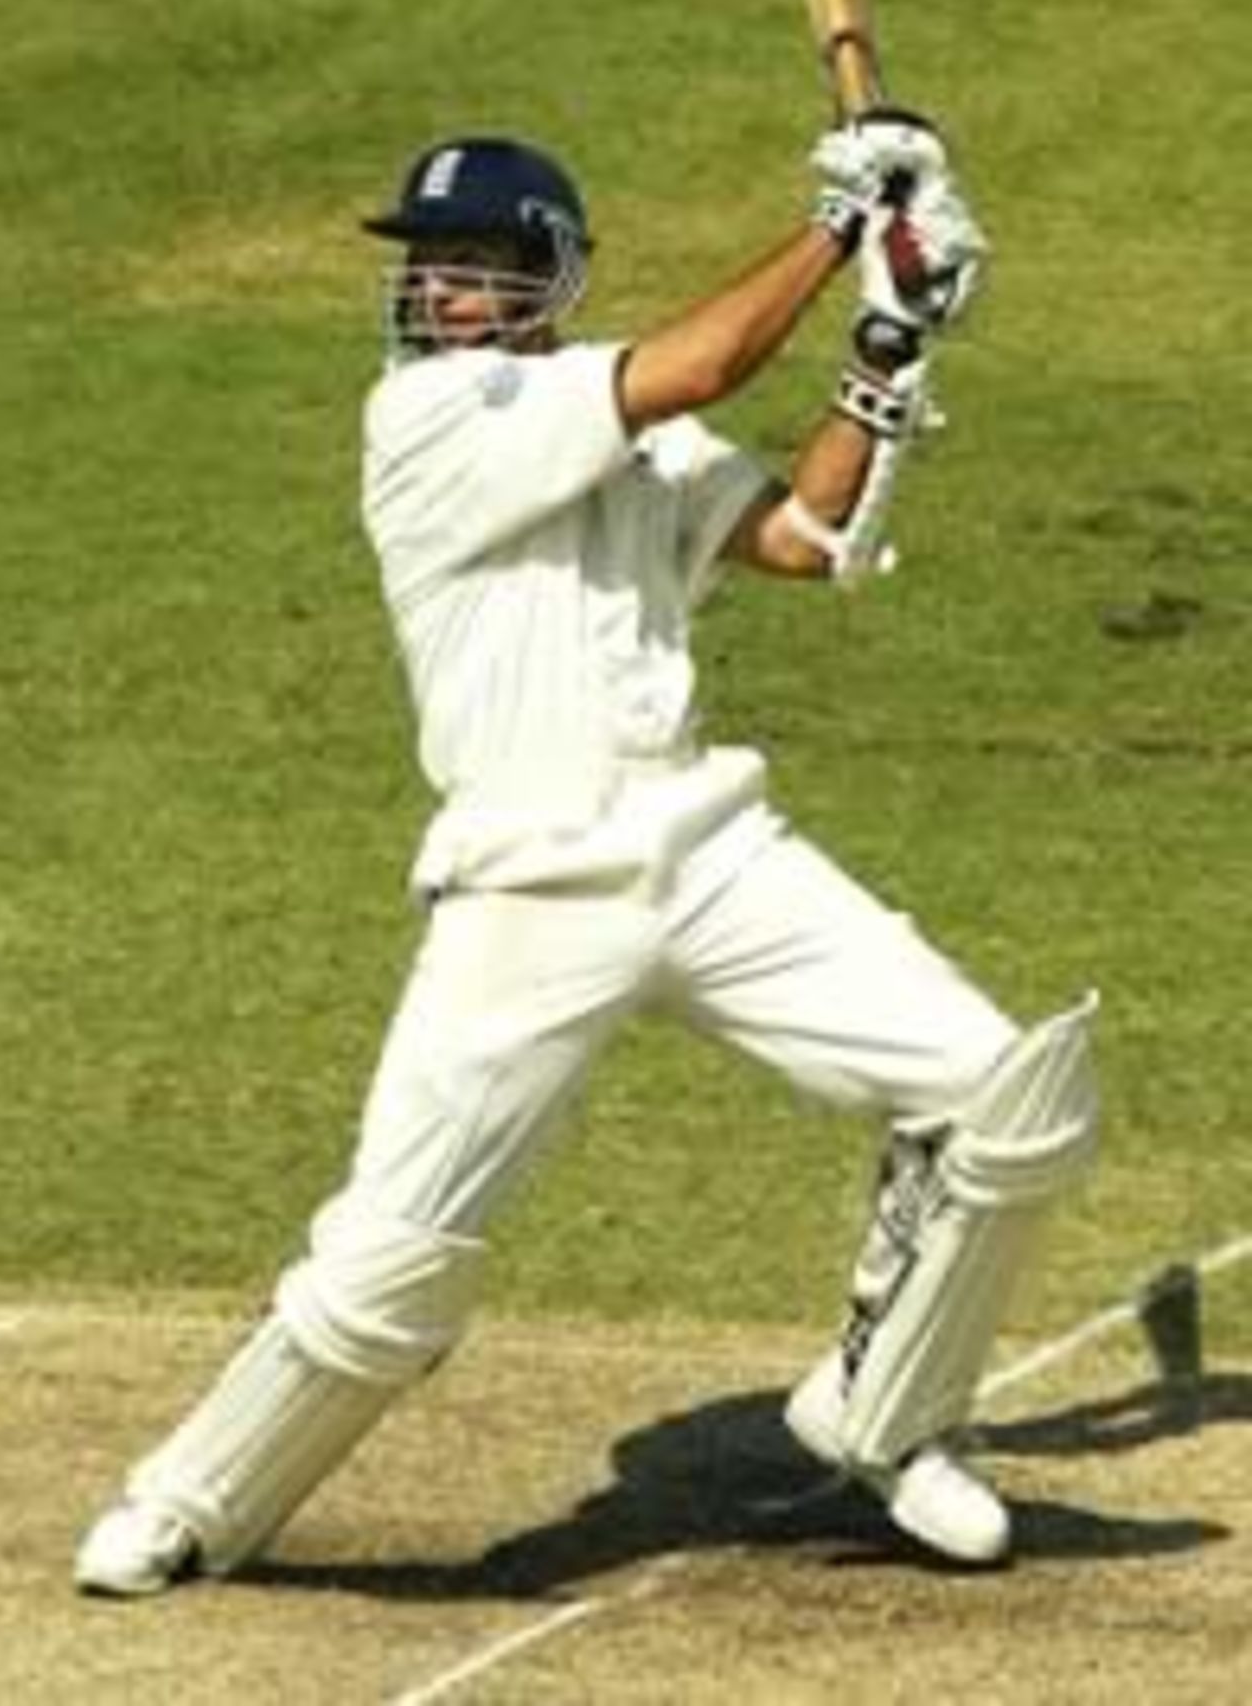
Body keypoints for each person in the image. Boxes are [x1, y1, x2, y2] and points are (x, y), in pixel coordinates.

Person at [75, 118, 1098, 1597]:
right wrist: (841, 220)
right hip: (527, 880)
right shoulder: (424, 422)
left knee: (1008, 1099)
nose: (443, 294)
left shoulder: (624, 419)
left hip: (703, 845)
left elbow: (807, 534)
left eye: (478, 267)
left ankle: (886, 1415)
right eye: (429, 269)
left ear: (546, 275)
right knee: (389, 1270)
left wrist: (892, 334)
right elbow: (696, 366)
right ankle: (190, 1501)